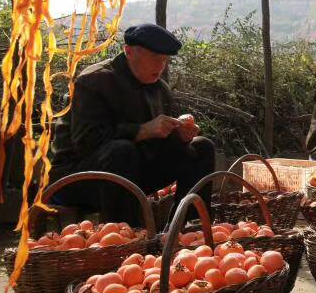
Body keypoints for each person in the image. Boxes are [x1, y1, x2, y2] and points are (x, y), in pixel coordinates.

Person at [50, 23, 215, 225]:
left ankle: (188, 232)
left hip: (133, 173)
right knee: (122, 151)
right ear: (128, 52)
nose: (160, 66)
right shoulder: (94, 81)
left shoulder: (159, 89)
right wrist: (142, 130)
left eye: (164, 60)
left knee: (201, 147)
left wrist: (179, 137)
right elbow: (86, 143)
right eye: (155, 58)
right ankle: (128, 241)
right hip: (78, 179)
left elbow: (156, 147)